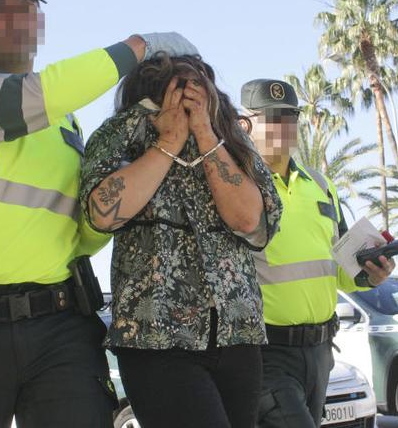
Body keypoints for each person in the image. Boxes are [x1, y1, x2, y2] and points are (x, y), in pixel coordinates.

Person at [0, 0, 199, 428]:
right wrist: (137, 47)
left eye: (25, 9)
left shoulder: (66, 123)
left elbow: (82, 234)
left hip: (59, 326)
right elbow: (27, 99)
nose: (15, 20)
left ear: (39, 21)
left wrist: (130, 179)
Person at [79, 55, 283, 428]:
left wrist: (205, 134)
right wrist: (168, 141)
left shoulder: (232, 139)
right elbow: (101, 213)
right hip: (156, 340)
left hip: (237, 334)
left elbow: (250, 219)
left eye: (199, 92)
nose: (189, 100)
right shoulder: (123, 132)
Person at [238, 79, 395, 428]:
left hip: (321, 352)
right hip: (265, 353)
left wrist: (370, 273)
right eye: (272, 117)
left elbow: (340, 269)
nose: (283, 126)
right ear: (245, 123)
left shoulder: (320, 185)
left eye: (290, 117)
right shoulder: (237, 185)